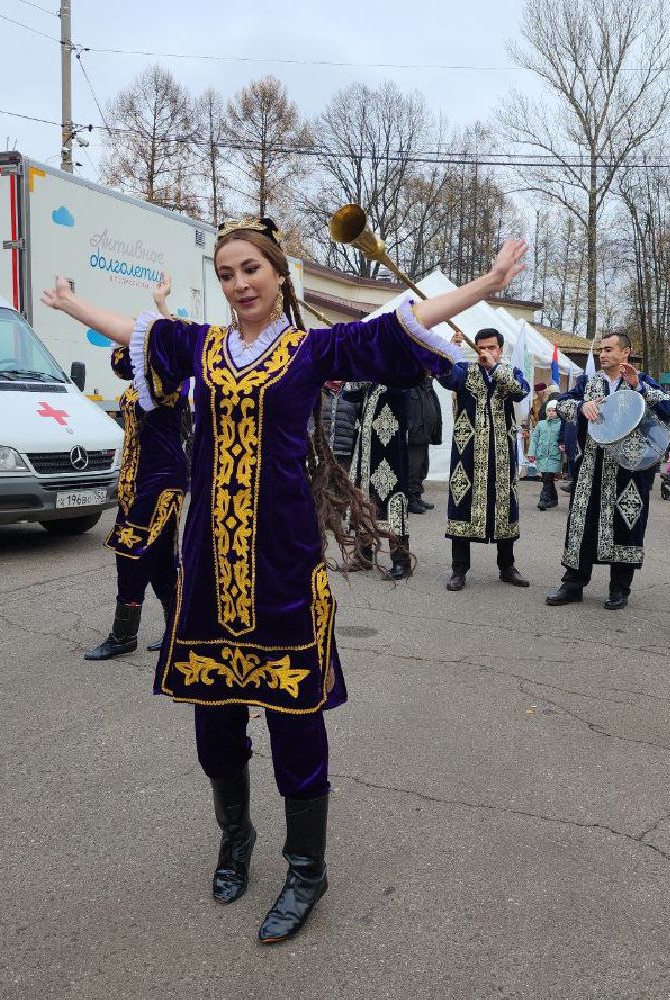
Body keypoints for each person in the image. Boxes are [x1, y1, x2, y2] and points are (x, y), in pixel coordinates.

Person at [42, 216, 526, 944]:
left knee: (295, 716)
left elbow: (402, 324)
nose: (239, 284)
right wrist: (74, 305)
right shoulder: (201, 346)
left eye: (251, 270)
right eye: (227, 273)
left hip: (281, 560)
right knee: (214, 718)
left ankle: (306, 868)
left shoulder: (311, 350)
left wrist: (486, 284)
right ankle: (235, 838)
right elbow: (140, 332)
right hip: (210, 559)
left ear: (277, 275)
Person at [82, 279, 187, 661]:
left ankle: (124, 636)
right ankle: (178, 631)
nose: (121, 357)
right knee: (158, 558)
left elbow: (177, 343)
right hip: (136, 479)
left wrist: (162, 307)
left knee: (131, 551)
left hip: (160, 480)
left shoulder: (165, 381)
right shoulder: (139, 386)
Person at [546, 331, 670, 610]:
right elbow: (561, 404)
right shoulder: (588, 382)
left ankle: (619, 588)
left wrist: (639, 386)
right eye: (601, 350)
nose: (602, 354)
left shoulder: (641, 381)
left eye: (608, 349)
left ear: (625, 352)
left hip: (630, 471)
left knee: (626, 524)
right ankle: (573, 584)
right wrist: (581, 406)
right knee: (582, 524)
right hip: (591, 467)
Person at [438, 328, 531, 591]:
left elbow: (520, 392)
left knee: (504, 505)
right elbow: (445, 377)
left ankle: (507, 566)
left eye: (491, 348)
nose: (485, 352)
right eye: (481, 348)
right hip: (467, 452)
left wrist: (495, 368)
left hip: (501, 452)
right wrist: (449, 351)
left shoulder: (511, 372)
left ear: (500, 350)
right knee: (462, 502)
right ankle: (459, 569)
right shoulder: (464, 371)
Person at [344, 380, 415, 580]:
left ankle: (401, 561)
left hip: (390, 451)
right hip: (365, 450)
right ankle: (363, 555)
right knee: (362, 499)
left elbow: (403, 387)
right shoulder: (370, 379)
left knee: (392, 501)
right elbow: (349, 395)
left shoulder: (400, 371)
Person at [405, 376, 442, 514]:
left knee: (422, 467)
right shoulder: (411, 386)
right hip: (415, 434)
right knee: (413, 467)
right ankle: (410, 499)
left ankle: (417, 495)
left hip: (425, 434)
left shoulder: (428, 387)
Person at [527, 399, 565, 509]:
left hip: (554, 456)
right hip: (542, 456)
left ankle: (543, 500)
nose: (551, 412)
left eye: (554, 410)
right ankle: (554, 500)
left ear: (558, 412)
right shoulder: (541, 424)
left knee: (547, 478)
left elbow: (564, 438)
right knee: (547, 479)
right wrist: (531, 453)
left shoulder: (561, 424)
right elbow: (534, 439)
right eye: (549, 410)